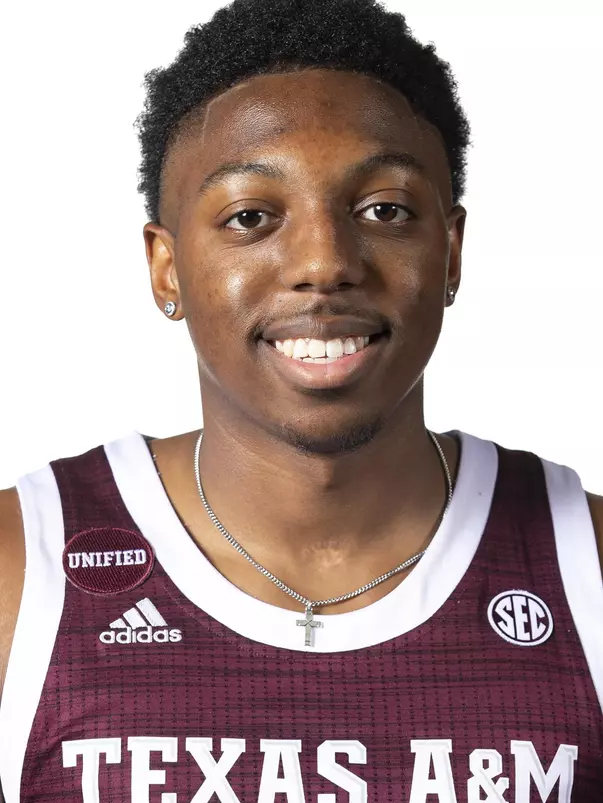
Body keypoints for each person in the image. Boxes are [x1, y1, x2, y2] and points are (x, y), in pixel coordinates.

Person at [0, 0, 602, 799]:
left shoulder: (584, 566)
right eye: (251, 216)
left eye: (383, 210)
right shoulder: (23, 569)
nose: (324, 262)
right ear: (166, 267)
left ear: (449, 250)